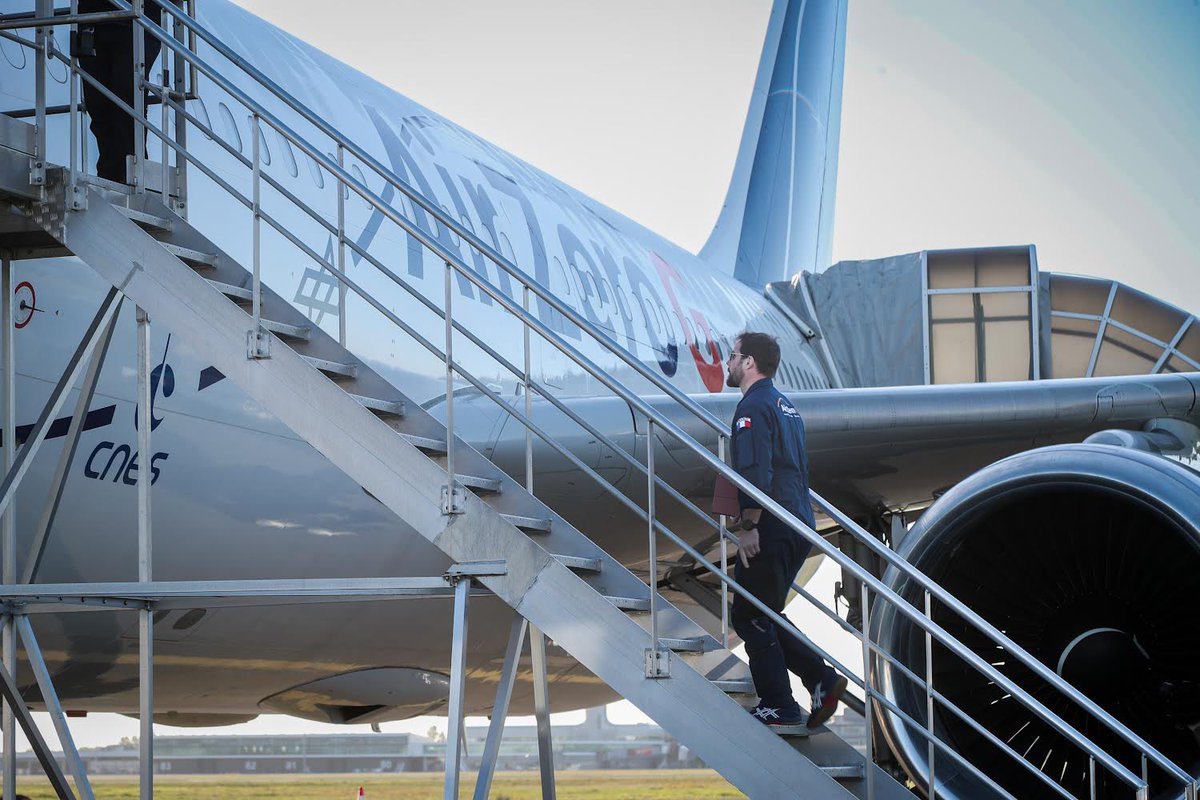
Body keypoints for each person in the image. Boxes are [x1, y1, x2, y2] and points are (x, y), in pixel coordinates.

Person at [725, 331, 847, 729]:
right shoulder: (785, 405)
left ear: (749, 363)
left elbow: (756, 472)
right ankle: (820, 681)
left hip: (771, 523)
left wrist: (748, 526)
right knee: (766, 611)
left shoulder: (752, 408)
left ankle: (780, 702)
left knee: (749, 615)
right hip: (797, 521)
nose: (727, 363)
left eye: (733, 356)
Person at [76, 0, 167, 182]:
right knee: (97, 104)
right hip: (93, 22)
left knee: (125, 96)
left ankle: (133, 174)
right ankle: (109, 174)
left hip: (137, 22)